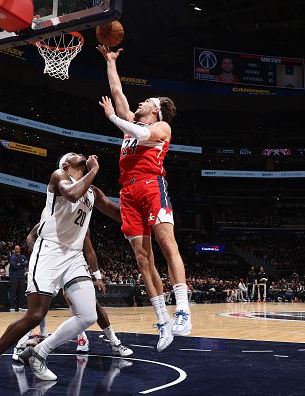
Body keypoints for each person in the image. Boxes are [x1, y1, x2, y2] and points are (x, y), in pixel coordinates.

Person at [0, 153, 117, 386]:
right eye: (72, 155)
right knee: (36, 316)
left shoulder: (92, 190)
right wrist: (94, 170)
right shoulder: (59, 175)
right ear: (66, 164)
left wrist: (146, 215)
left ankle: (39, 353)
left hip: (73, 255)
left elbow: (115, 212)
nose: (78, 154)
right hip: (49, 250)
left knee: (88, 314)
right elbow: (71, 195)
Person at [97, 45, 192, 351]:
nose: (139, 102)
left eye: (146, 101)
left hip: (152, 186)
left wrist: (113, 118)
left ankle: (183, 312)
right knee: (142, 258)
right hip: (128, 191)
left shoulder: (161, 126)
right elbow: (116, 89)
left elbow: (138, 133)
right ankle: (163, 321)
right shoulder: (131, 124)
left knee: (167, 244)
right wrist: (110, 61)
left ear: (155, 110)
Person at [12, 221, 133, 360]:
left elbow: (89, 250)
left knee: (91, 305)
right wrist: (40, 253)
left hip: (71, 266)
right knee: (38, 308)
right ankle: (22, 344)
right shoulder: (53, 216)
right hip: (50, 264)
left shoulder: (81, 220)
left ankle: (113, 342)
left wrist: (97, 276)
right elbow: (30, 237)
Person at [9, 244, 28, 312]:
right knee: (13, 292)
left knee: (21, 292)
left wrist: (19, 264)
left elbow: (26, 263)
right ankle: (12, 307)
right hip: (14, 277)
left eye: (18, 248)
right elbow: (14, 266)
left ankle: (21, 306)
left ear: (20, 249)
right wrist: (22, 265)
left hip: (21, 277)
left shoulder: (23, 256)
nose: (17, 250)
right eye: (15, 249)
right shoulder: (12, 257)